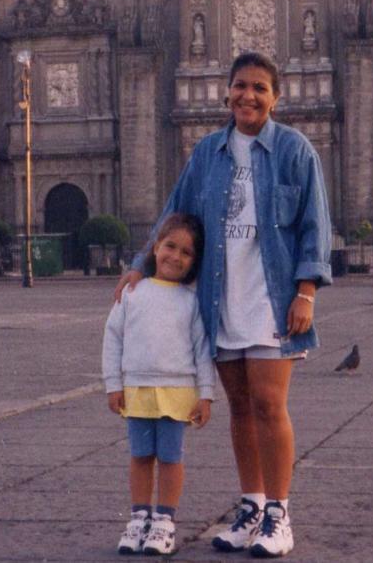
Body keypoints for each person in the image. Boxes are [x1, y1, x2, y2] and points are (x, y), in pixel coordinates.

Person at [114, 52, 332, 558]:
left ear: (275, 97)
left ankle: (279, 513)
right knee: (239, 409)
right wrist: (142, 264)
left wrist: (306, 292)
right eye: (240, 86)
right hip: (220, 300)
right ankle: (251, 506)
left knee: (268, 405)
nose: (247, 96)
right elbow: (177, 213)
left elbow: (315, 227)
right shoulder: (208, 152)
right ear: (226, 92)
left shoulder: (296, 151)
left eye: (259, 87)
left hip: (272, 299)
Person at [103, 214, 214, 555]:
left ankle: (164, 521)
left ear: (194, 262)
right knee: (139, 456)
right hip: (137, 389)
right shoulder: (132, 293)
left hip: (178, 392)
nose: (175, 257)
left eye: (186, 252)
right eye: (170, 247)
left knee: (170, 458)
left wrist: (206, 394)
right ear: (155, 247)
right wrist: (113, 384)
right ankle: (139, 517)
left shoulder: (191, 300)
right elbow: (113, 339)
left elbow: (201, 350)